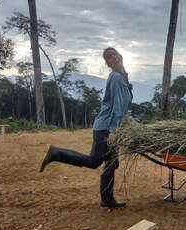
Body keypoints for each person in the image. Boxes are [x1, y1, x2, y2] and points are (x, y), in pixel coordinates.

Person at [37, 47, 133, 208]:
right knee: (94, 161)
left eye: (115, 54)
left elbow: (123, 106)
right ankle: (56, 152)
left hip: (110, 126)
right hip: (106, 128)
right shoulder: (116, 77)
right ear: (108, 63)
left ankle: (107, 199)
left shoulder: (122, 77)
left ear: (120, 55)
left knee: (111, 162)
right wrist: (113, 131)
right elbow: (117, 106)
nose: (114, 57)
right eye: (110, 57)